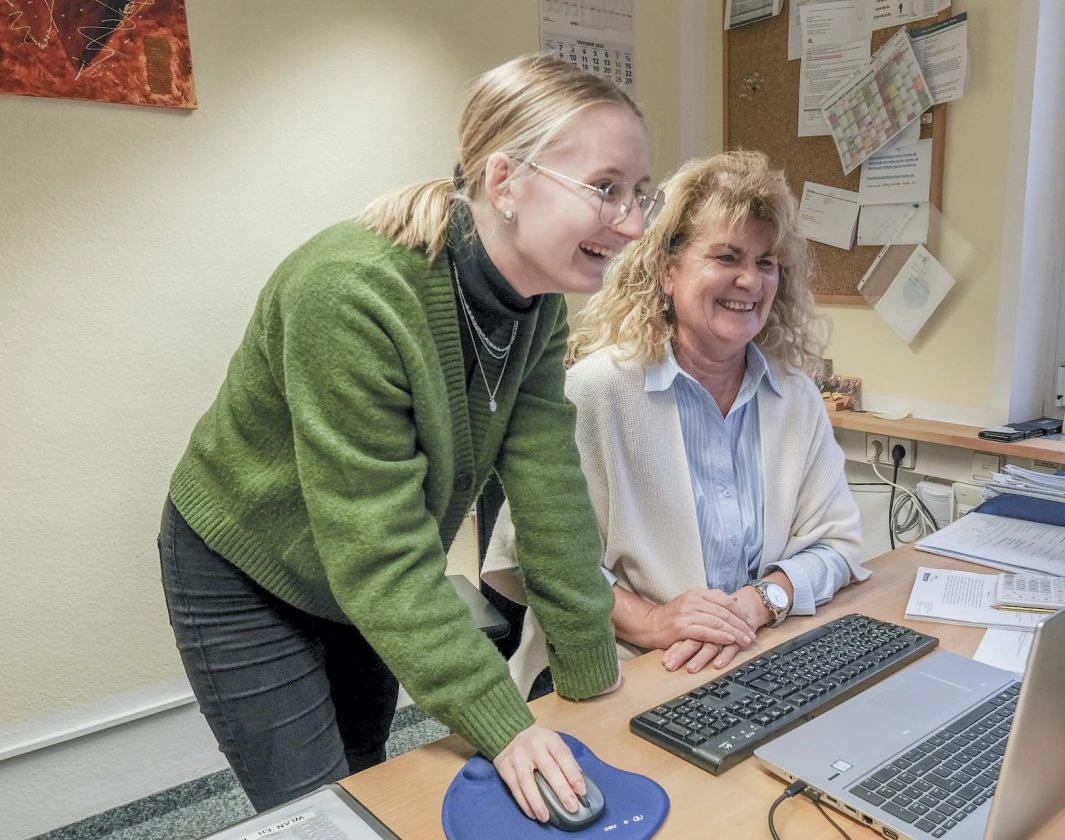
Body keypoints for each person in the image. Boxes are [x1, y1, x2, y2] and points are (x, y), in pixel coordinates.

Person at [158, 54, 662, 822]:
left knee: (370, 777)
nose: (629, 224)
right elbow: (382, 554)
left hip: (362, 567)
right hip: (247, 568)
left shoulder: (537, 301)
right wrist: (508, 726)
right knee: (317, 811)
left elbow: (550, 489)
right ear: (505, 181)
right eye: (605, 189)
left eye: (638, 195)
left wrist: (592, 685)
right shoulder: (351, 293)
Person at [483, 149, 866, 697]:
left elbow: (838, 545)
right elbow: (537, 560)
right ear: (667, 268)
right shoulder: (595, 392)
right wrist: (652, 621)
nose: (749, 282)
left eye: (765, 263)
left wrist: (761, 603)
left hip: (748, 657)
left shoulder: (797, 398)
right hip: (617, 667)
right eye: (726, 257)